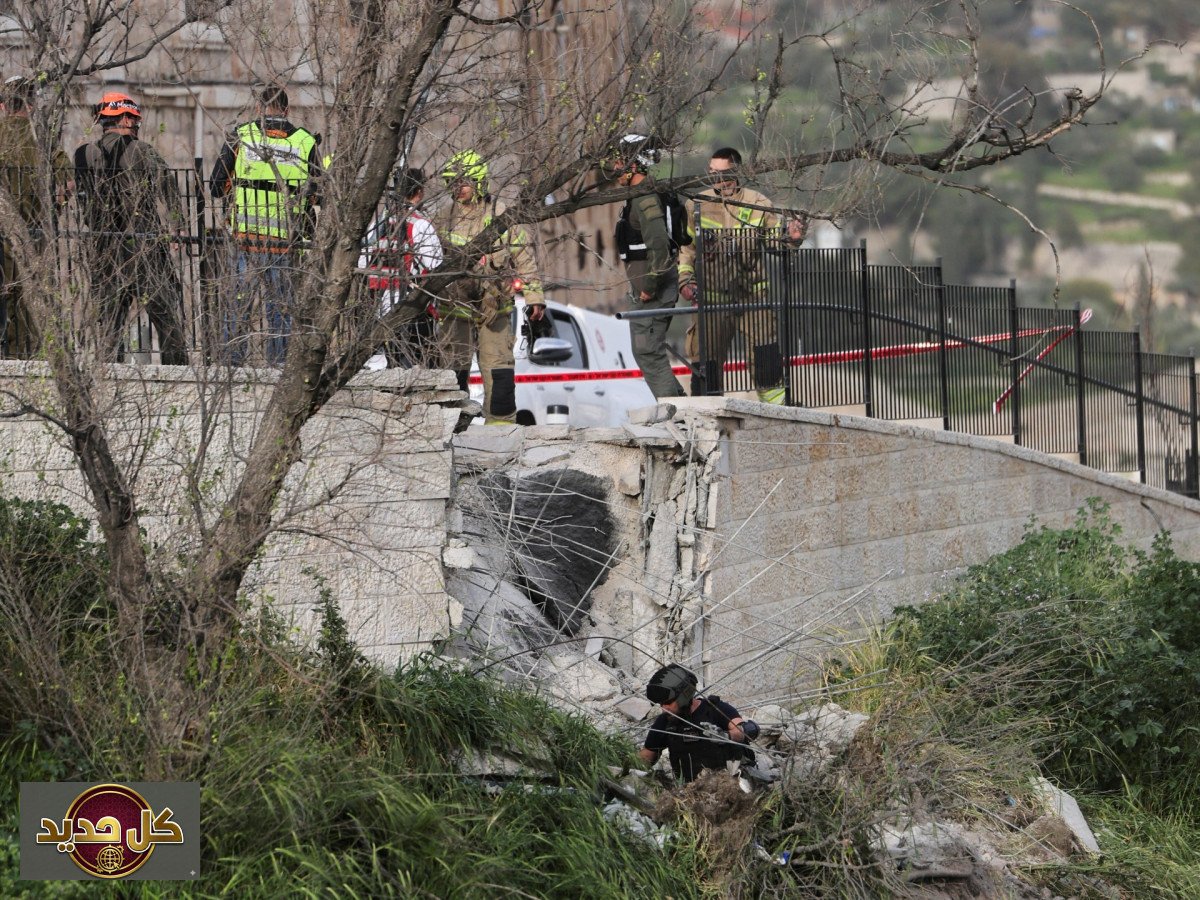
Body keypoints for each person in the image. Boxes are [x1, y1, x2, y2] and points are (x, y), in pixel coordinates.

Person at [676, 147, 807, 403]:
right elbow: (687, 249)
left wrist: (791, 240)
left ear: (738, 173)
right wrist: (685, 281)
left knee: (766, 359)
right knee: (706, 366)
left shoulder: (758, 204)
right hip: (711, 301)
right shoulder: (696, 205)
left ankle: (779, 414)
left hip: (753, 297)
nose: (717, 180)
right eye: (712, 173)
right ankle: (708, 420)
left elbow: (773, 243)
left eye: (723, 174)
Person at [74, 91, 189, 365]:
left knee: (110, 322)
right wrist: (178, 227)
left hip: (104, 249)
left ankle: (108, 373)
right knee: (165, 315)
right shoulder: (143, 152)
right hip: (143, 246)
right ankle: (178, 372)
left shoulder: (83, 155)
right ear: (125, 119)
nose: (137, 128)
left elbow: (83, 200)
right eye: (135, 122)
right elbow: (168, 187)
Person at [431, 149, 544, 424]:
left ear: (479, 181)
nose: (458, 188)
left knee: (499, 373)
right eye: (453, 182)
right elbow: (429, 259)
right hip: (454, 309)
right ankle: (454, 433)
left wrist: (535, 298)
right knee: (452, 374)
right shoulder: (442, 218)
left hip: (495, 310)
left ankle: (501, 433)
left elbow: (524, 259)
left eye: (464, 181)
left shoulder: (502, 215)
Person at [210, 85, 321, 365]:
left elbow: (215, 186)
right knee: (280, 311)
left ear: (259, 108)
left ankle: (231, 366)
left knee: (238, 307)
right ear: (286, 110)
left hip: (246, 239)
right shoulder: (305, 142)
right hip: (285, 243)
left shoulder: (242, 136)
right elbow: (320, 192)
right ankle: (278, 367)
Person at [606, 134, 686, 400]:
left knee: (648, 352)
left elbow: (660, 246)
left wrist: (649, 287)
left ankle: (677, 416)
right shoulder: (640, 196)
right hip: (646, 288)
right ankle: (680, 410)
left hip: (652, 291)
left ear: (632, 165)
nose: (614, 168)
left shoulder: (645, 199)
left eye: (619, 162)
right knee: (647, 352)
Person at [0, 75, 69, 357]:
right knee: (27, 301)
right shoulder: (42, 136)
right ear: (31, 104)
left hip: (1, 233)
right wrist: (54, 211)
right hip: (33, 234)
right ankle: (24, 358)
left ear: (4, 105)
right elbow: (68, 182)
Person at [359, 166, 443, 367]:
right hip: (415, 308)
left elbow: (363, 261)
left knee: (393, 365)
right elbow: (436, 267)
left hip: (383, 309)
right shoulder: (420, 224)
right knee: (417, 367)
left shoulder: (380, 224)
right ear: (419, 192)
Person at [638, 663, 758, 783]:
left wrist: (725, 736)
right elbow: (646, 758)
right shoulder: (665, 721)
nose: (664, 708)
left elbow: (747, 730)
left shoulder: (714, 709)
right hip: (690, 792)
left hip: (728, 786)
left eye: (668, 702)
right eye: (661, 704)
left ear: (684, 695)